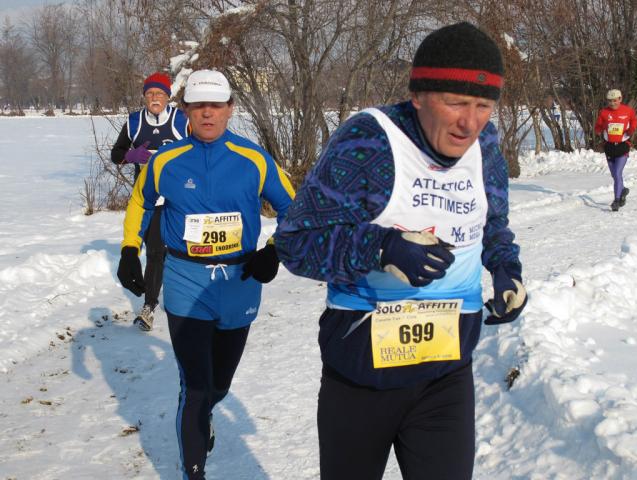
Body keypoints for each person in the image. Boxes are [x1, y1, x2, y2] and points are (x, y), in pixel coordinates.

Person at [274, 22, 527, 480]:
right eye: (455, 103)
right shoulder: (370, 142)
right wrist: (380, 246)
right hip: (361, 378)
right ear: (419, 95)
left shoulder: (484, 145)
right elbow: (294, 242)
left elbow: (491, 222)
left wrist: (506, 269)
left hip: (446, 374)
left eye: (483, 106)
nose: (469, 123)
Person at [116, 69, 295, 479]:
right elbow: (140, 203)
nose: (208, 114)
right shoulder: (166, 160)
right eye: (199, 107)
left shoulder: (254, 159)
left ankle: (208, 413)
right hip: (185, 280)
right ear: (186, 111)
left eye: (216, 106)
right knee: (195, 387)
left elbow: (294, 209)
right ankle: (192, 471)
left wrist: (275, 250)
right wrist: (130, 248)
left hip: (239, 283)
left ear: (231, 109)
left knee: (219, 387)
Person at [111, 72, 189, 331]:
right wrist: (132, 155)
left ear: (168, 97)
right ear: (144, 97)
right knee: (155, 252)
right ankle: (149, 307)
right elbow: (116, 154)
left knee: (185, 249)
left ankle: (190, 295)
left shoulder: (181, 120)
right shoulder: (134, 122)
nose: (155, 98)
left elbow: (199, 146)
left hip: (180, 198)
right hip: (148, 199)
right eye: (150, 94)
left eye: (160, 94)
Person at [595, 88, 637, 211]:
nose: (612, 103)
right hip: (609, 147)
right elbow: (598, 125)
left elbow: (634, 121)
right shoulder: (604, 112)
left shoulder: (628, 111)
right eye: (609, 101)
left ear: (620, 99)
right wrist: (598, 129)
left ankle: (616, 200)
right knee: (615, 175)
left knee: (618, 173)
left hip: (623, 146)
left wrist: (631, 129)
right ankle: (622, 190)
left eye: (614, 100)